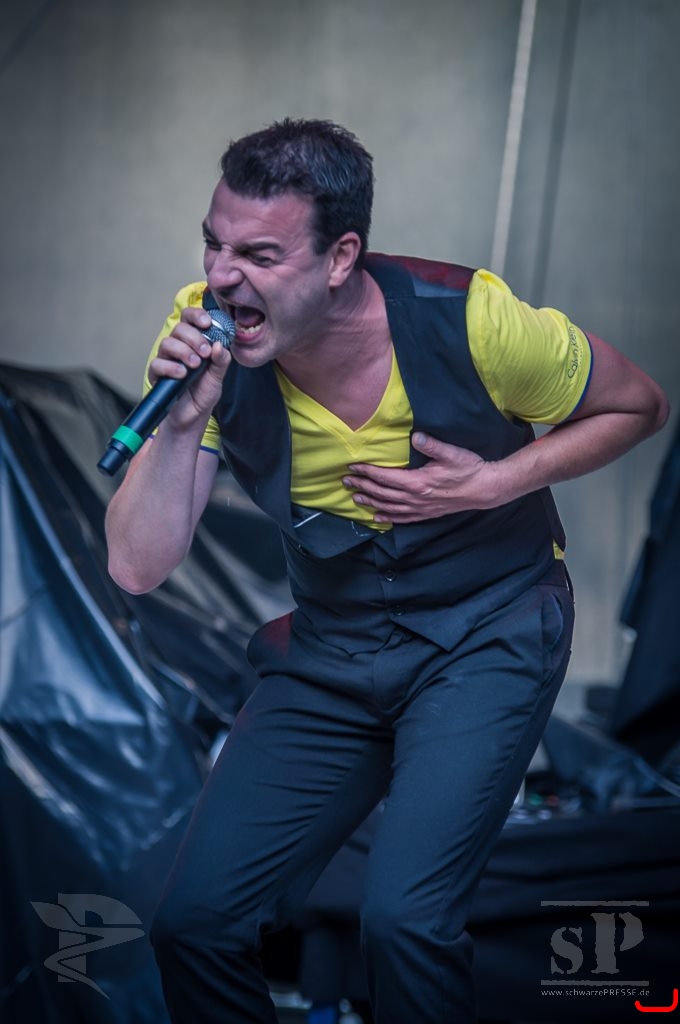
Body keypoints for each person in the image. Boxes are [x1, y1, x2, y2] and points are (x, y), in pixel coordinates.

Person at [104, 118, 669, 1024]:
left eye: (259, 254)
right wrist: (181, 423)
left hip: (487, 630)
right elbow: (136, 567)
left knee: (406, 922)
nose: (222, 277)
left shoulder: (471, 322)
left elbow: (637, 404)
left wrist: (493, 482)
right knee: (195, 922)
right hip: (336, 645)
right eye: (214, 244)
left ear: (341, 257)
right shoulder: (202, 343)